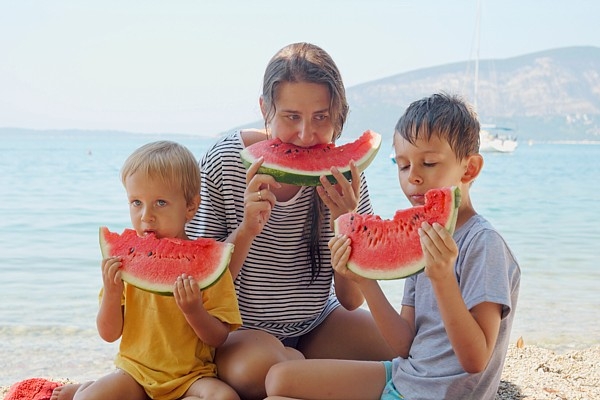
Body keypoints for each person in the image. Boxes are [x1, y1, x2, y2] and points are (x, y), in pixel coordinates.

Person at [263, 93, 521, 400]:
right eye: (402, 165)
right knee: (278, 380)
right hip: (404, 375)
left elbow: (476, 360)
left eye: (428, 163)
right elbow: (404, 344)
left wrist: (442, 279)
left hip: (436, 394)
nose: (413, 176)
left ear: (469, 169)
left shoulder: (484, 244)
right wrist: (364, 278)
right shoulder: (422, 232)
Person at [185, 42, 395, 399]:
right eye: (291, 116)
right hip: (236, 334)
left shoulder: (346, 172)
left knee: (403, 348)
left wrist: (345, 222)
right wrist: (247, 229)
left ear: (338, 113)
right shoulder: (225, 162)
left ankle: (301, 376)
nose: (305, 135)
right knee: (260, 370)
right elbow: (200, 290)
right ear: (265, 108)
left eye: (321, 117)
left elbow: (350, 300)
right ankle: (305, 378)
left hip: (317, 324)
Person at [52, 141, 242, 400]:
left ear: (190, 206)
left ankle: (90, 386)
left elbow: (218, 338)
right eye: (136, 202)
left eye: (160, 203)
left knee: (225, 398)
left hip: (191, 378)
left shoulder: (210, 266)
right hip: (134, 374)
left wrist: (193, 310)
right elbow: (108, 334)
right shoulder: (125, 264)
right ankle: (87, 388)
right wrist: (111, 292)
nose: (146, 216)